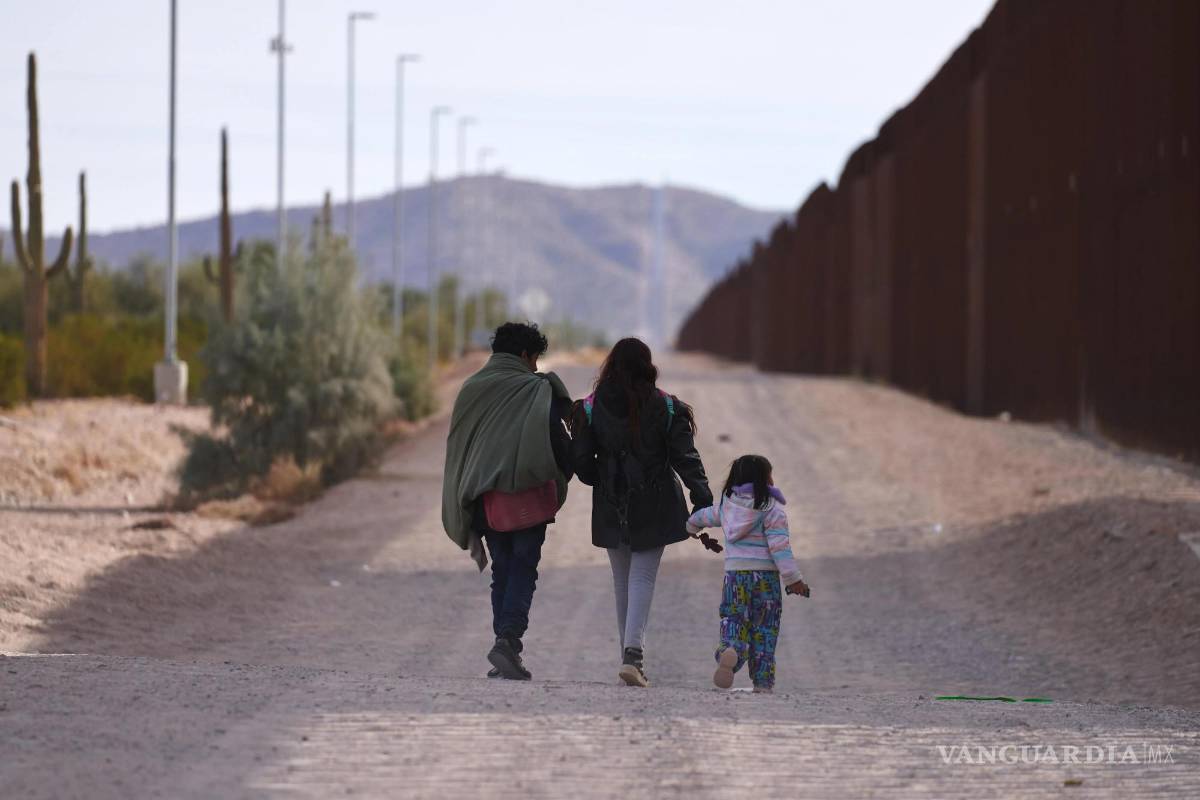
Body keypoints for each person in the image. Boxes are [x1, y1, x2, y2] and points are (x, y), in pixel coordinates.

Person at [571, 338, 712, 687]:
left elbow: (583, 465)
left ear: (612, 365)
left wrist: (600, 475)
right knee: (642, 577)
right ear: (647, 366)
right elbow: (686, 458)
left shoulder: (590, 408)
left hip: (610, 501)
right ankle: (633, 656)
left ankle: (629, 656)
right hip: (656, 501)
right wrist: (702, 498)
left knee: (622, 579)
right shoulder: (666, 408)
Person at [442, 322, 574, 680]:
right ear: (523, 355)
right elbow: (559, 443)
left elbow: (459, 446)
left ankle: (504, 643)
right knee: (523, 570)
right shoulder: (536, 390)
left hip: (486, 502)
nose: (535, 368)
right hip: (528, 501)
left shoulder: (471, 388)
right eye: (534, 360)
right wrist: (568, 473)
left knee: (502, 569)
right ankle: (508, 640)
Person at [686, 454, 811, 694]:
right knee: (765, 627)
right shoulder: (773, 511)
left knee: (733, 617)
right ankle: (762, 682)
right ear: (764, 480)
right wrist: (794, 579)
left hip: (735, 576)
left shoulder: (726, 506)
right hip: (766, 580)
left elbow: (704, 516)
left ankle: (730, 649)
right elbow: (780, 548)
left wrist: (691, 526)